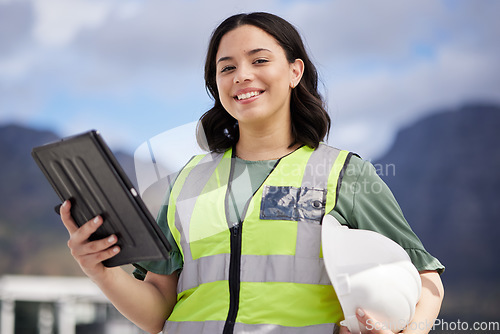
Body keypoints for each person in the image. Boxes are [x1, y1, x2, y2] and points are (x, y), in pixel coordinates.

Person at [60, 12, 444, 334]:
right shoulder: (185, 182)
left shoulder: (344, 173)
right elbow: (159, 308)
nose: (241, 75)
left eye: (259, 60)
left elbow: (426, 280)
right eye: (226, 68)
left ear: (295, 72)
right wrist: (99, 271)